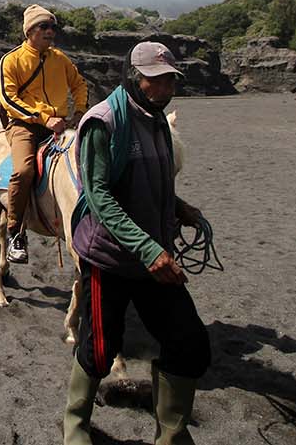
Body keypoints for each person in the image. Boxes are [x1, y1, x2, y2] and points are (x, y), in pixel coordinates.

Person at [62, 41, 210, 445]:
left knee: (189, 341)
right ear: (133, 77)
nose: (166, 88)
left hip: (153, 258)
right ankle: (75, 428)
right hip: (110, 259)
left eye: (170, 81)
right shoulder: (104, 121)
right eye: (155, 80)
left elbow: (151, 179)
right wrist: (148, 249)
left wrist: (178, 206)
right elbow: (99, 196)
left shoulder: (158, 120)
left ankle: (172, 435)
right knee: (99, 349)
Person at [0, 4, 88, 264]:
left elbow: (79, 84)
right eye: (43, 27)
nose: (50, 32)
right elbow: (8, 98)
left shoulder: (60, 59)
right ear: (29, 31)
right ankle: (15, 232)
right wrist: (43, 117)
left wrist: (80, 111)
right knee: (24, 170)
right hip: (24, 126)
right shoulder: (11, 60)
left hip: (59, 124)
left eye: (52, 27)